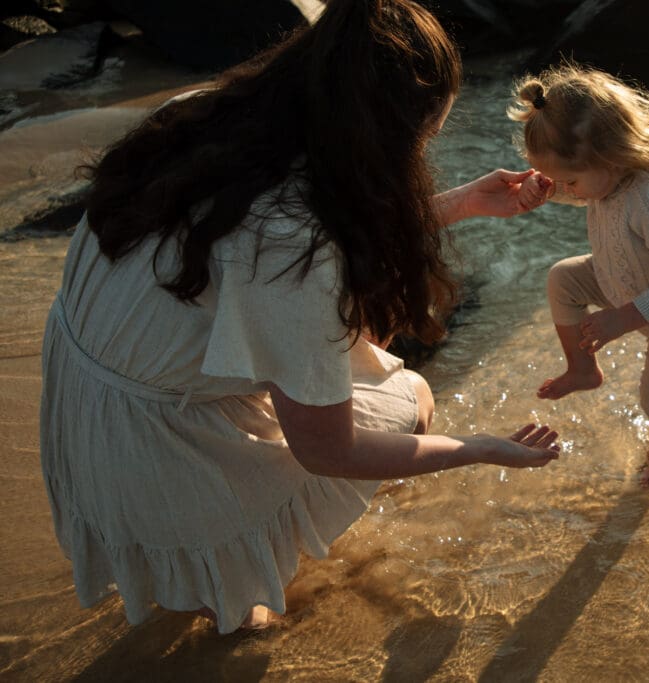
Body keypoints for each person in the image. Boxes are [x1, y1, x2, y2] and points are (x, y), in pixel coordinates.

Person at [39, 0, 562, 635]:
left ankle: (201, 572)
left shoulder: (209, 113)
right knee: (410, 400)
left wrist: (455, 205)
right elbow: (327, 448)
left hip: (86, 397)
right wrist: (480, 447)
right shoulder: (292, 244)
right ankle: (213, 574)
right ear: (391, 132)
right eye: (424, 137)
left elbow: (264, 231)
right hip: (156, 442)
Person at [507, 63, 649, 487]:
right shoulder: (606, 178)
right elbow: (588, 193)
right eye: (557, 181)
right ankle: (583, 369)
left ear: (610, 155)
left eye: (568, 180)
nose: (568, 189)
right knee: (562, 278)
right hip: (622, 279)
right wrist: (546, 190)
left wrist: (622, 319)